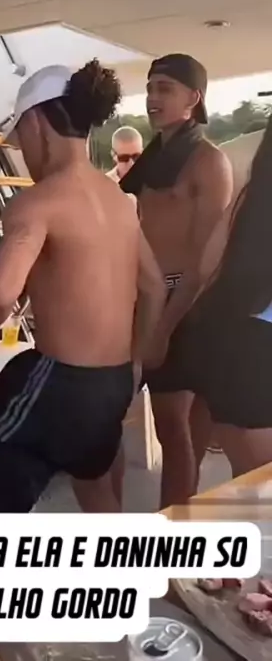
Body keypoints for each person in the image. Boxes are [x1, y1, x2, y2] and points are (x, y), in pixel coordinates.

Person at [0, 60, 165, 513]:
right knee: (95, 484)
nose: (23, 151)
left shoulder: (37, 203)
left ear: (35, 123)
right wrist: (134, 366)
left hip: (60, 380)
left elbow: (0, 295)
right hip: (113, 382)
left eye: (20, 138)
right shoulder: (119, 202)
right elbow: (154, 288)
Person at [120, 53, 233, 509]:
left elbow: (206, 261)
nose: (152, 98)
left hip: (190, 306)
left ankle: (171, 531)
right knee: (177, 432)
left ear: (193, 98)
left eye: (164, 88)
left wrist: (162, 328)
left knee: (176, 431)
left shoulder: (209, 162)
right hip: (150, 297)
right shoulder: (153, 161)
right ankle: (179, 521)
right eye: (150, 88)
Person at [151, 113, 272, 479]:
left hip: (233, 351)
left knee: (250, 487)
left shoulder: (251, 197)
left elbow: (206, 268)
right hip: (257, 356)